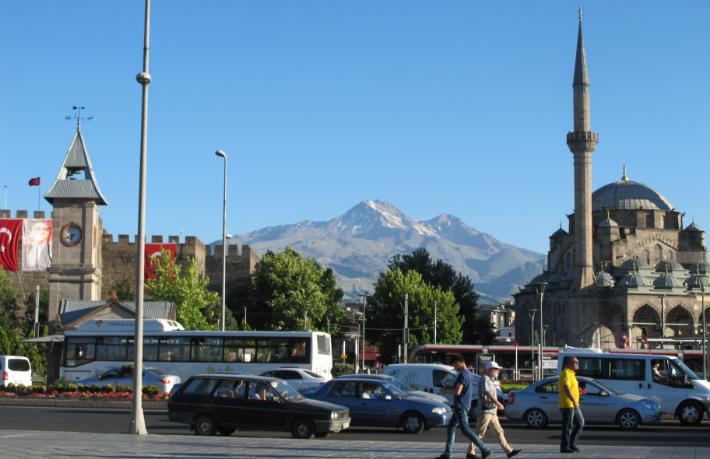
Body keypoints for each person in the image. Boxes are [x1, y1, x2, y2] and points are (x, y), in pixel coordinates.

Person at [437, 355, 490, 459]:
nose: (455, 368)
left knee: (465, 429)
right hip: (463, 405)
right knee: (451, 427)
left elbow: (458, 391)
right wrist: (448, 387)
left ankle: (484, 449)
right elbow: (461, 389)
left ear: (458, 363)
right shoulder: (469, 374)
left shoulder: (462, 375)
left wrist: (445, 391)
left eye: (454, 366)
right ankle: (447, 453)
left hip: (460, 406)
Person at [468, 361, 522, 458]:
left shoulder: (490, 379)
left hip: (492, 411)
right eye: (496, 369)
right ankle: (470, 452)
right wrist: (498, 403)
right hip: (485, 411)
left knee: (499, 431)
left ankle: (509, 451)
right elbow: (487, 392)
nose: (498, 371)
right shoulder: (485, 379)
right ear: (489, 370)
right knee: (479, 433)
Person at [559, 356, 584, 453]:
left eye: (577, 362)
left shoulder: (571, 374)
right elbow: (566, 388)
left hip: (574, 405)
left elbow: (571, 388)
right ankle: (564, 447)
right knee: (567, 426)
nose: (577, 364)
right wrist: (574, 401)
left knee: (580, 423)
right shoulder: (565, 373)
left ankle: (571, 444)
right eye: (575, 362)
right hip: (568, 405)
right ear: (568, 364)